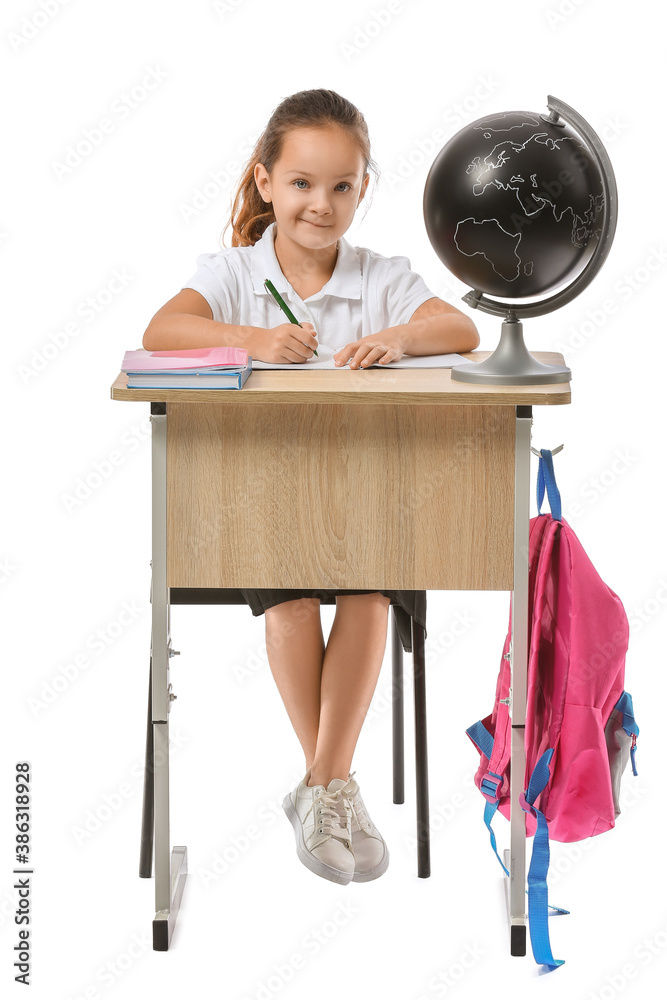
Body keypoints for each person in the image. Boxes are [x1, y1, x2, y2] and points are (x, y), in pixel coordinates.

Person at [142, 88, 479, 886]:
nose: (319, 206)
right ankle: (332, 788)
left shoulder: (378, 276)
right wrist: (254, 337)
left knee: (369, 591)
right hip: (260, 497)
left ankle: (322, 786)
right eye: (300, 184)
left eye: (340, 187)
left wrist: (395, 338)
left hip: (364, 495)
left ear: (362, 189)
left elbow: (460, 329)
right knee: (292, 594)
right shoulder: (232, 273)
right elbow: (163, 331)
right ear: (265, 182)